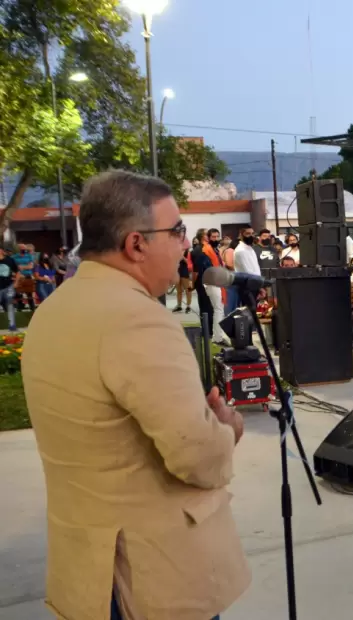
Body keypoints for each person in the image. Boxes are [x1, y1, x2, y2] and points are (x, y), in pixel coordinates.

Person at [21, 170, 248, 620]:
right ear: (136, 244)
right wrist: (226, 429)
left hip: (87, 567)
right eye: (177, 230)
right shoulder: (138, 320)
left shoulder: (52, 311)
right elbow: (197, 456)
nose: (184, 244)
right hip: (151, 577)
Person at [0, 245, 18, 331]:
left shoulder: (10, 260)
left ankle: (12, 325)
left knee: (10, 305)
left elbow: (17, 272)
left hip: (8, 286)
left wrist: (16, 282)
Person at [13, 243, 35, 311]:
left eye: (25, 248)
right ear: (19, 249)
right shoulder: (14, 257)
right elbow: (13, 267)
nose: (24, 249)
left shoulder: (29, 256)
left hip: (28, 276)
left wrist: (21, 266)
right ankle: (20, 306)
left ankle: (32, 308)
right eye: (22, 248)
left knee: (29, 293)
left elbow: (31, 266)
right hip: (18, 277)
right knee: (17, 292)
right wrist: (25, 266)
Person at [173, 245, 194, 313]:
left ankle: (188, 306)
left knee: (188, 290)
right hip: (177, 271)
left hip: (185, 272)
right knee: (178, 290)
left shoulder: (188, 252)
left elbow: (188, 262)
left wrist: (182, 257)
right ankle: (179, 305)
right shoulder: (175, 251)